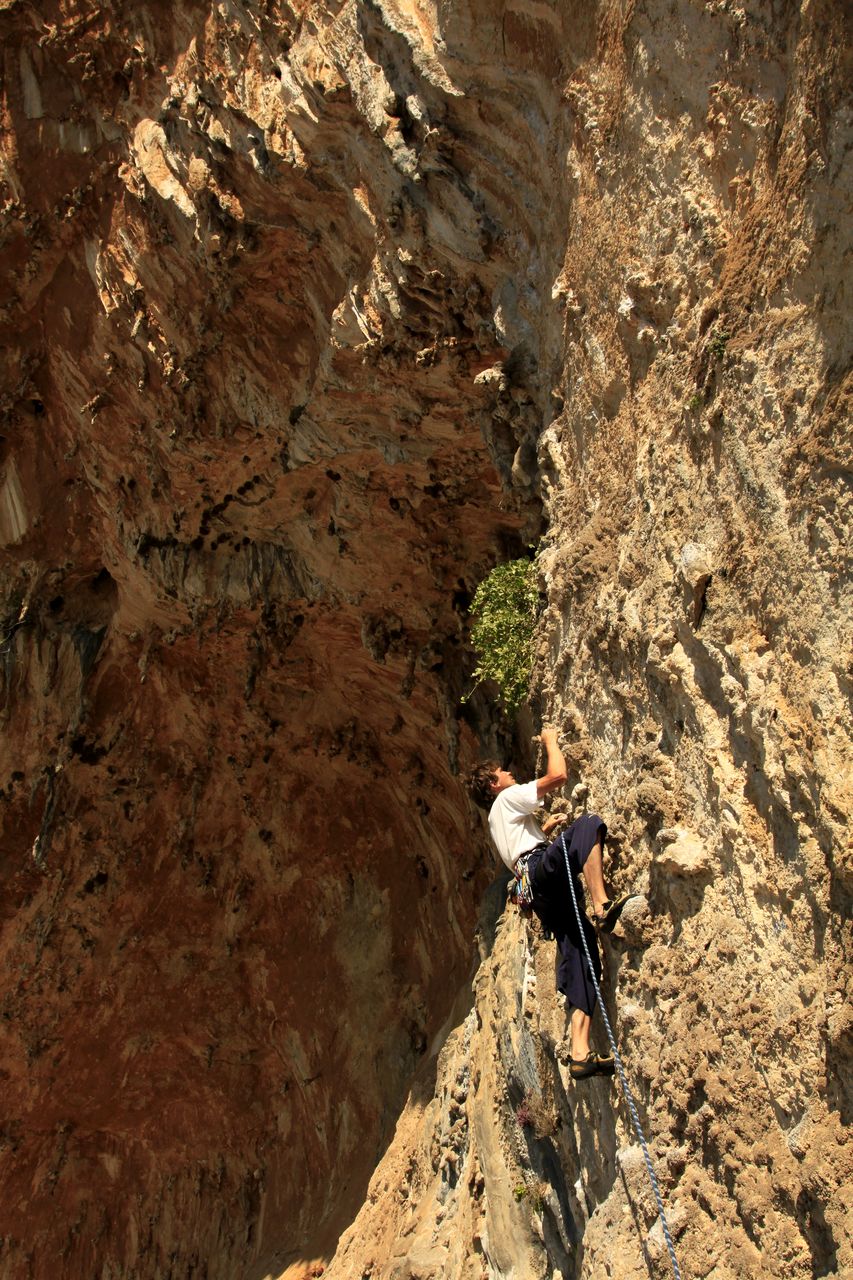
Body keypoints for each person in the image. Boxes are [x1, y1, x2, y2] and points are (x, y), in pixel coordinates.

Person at [467, 727, 631, 1081]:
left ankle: (580, 1053)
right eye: (503, 773)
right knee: (588, 825)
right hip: (540, 870)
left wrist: (545, 829)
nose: (510, 774)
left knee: (580, 949)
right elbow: (558, 776)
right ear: (494, 784)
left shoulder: (496, 820)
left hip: (534, 889)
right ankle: (602, 907)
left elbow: (523, 845)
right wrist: (550, 741)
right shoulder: (506, 799)